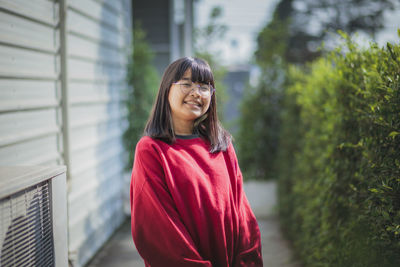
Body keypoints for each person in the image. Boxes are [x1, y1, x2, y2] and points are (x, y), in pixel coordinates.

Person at [130, 57, 263, 267]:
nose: (196, 92)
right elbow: (158, 231)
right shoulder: (152, 150)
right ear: (167, 89)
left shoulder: (222, 145)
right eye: (186, 84)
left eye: (204, 87)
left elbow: (243, 216)